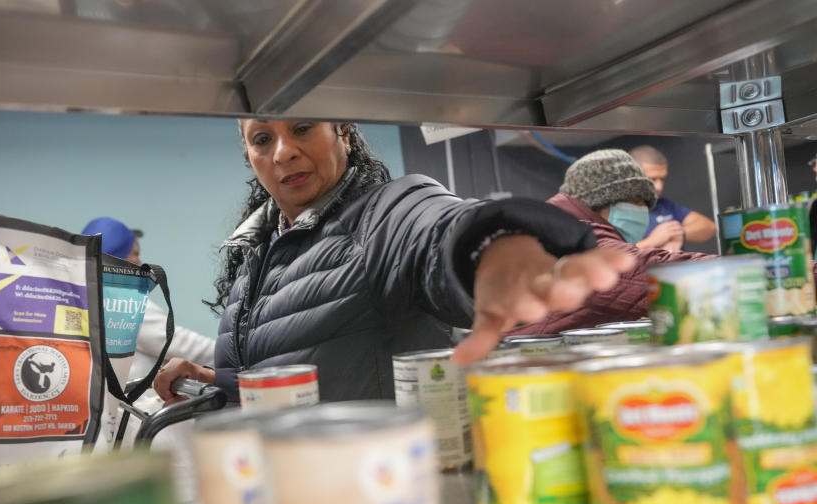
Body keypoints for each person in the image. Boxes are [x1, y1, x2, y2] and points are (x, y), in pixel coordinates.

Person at [153, 120, 633, 404]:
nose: (283, 151)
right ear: (248, 153)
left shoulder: (385, 213)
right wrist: (216, 380)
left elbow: (434, 232)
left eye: (301, 127)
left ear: (341, 129)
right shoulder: (260, 252)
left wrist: (488, 249)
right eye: (262, 139)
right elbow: (298, 368)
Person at [507, 149, 711, 335]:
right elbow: (643, 274)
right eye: (637, 202)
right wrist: (738, 269)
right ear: (601, 201)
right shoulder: (571, 239)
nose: (643, 212)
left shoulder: (558, 227)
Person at [80, 216, 216, 378]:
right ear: (116, 259)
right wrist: (234, 353)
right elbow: (184, 347)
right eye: (135, 254)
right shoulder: (122, 301)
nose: (139, 261)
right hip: (136, 401)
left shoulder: (79, 298)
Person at [629, 145, 717, 250]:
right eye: (652, 179)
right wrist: (651, 242)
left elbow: (710, 227)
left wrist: (677, 234)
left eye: (662, 179)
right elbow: (611, 257)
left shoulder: (665, 205)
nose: (659, 186)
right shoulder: (612, 214)